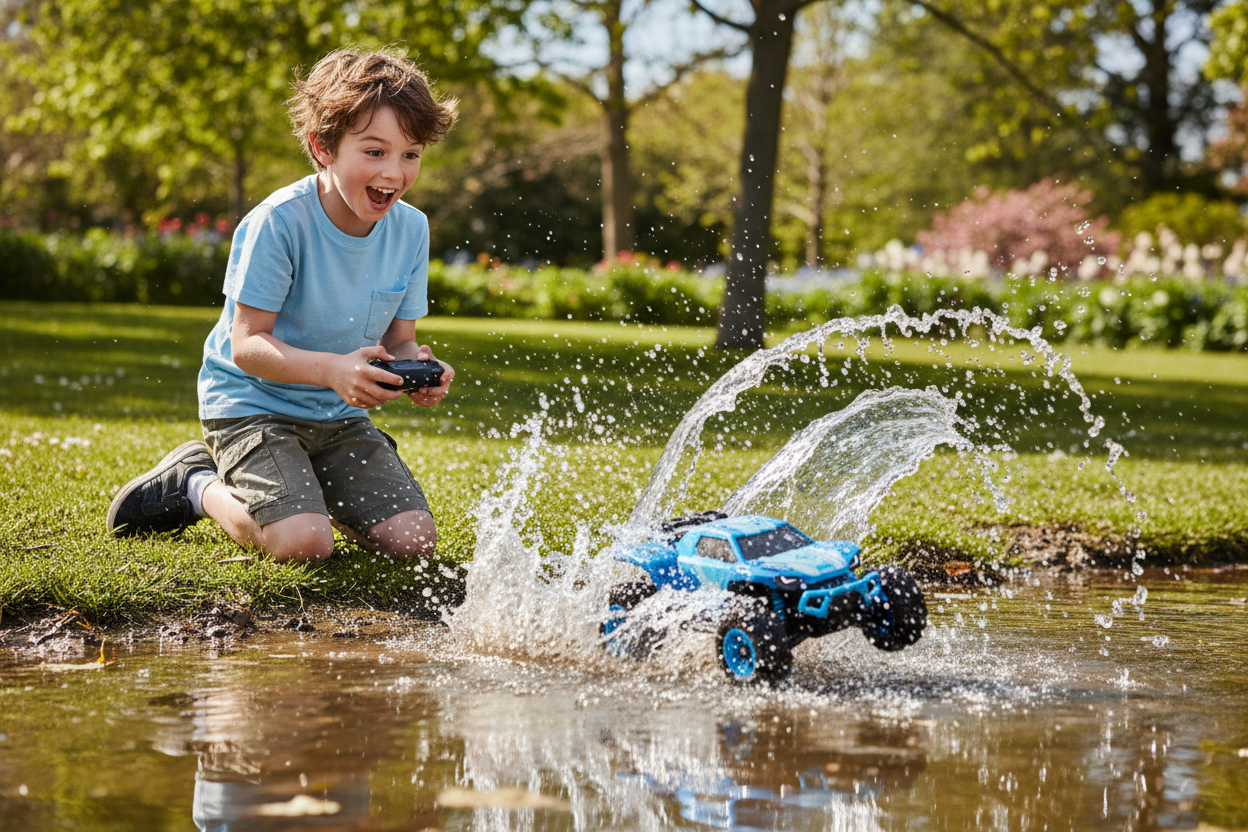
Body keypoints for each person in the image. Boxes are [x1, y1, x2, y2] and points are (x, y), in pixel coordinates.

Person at [106, 48, 457, 562]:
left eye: (412, 153)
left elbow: (398, 338)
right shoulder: (279, 222)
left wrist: (416, 369)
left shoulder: (411, 228)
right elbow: (245, 345)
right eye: (375, 151)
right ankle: (194, 483)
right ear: (323, 147)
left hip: (337, 418)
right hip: (254, 409)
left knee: (414, 543)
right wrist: (334, 370)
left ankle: (305, 484)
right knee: (304, 545)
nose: (396, 172)